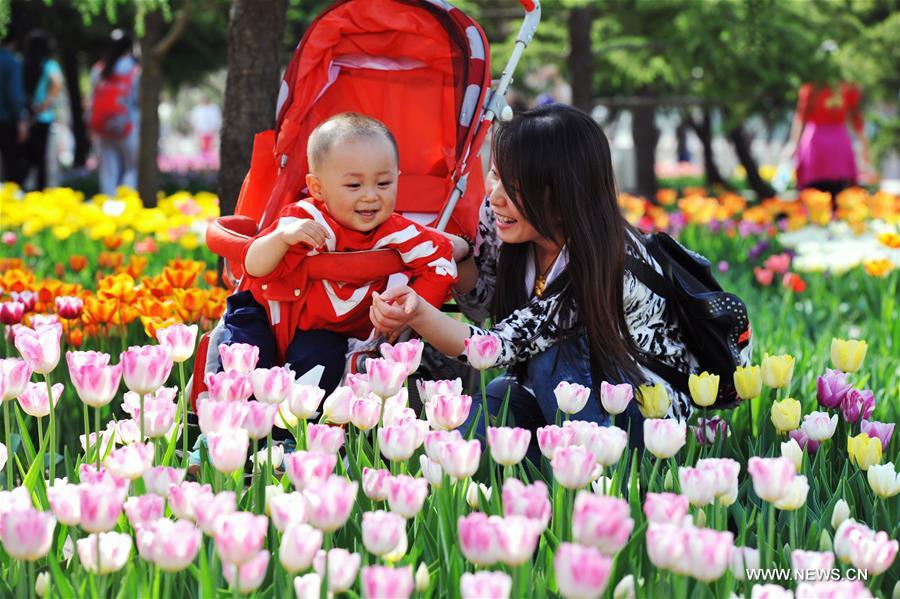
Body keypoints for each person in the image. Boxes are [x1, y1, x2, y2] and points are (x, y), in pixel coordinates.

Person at [371, 104, 701, 457]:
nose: (495, 196)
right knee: (473, 433)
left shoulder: (610, 265)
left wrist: (418, 313)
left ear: (563, 197)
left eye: (514, 187)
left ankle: (591, 477)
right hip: (543, 386)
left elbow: (499, 348)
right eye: (494, 175)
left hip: (640, 412)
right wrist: (461, 255)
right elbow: (482, 304)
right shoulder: (502, 217)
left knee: (555, 355)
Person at [225, 112, 457, 395]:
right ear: (317, 188)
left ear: (397, 178)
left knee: (318, 367)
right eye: (354, 185)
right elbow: (253, 266)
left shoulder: (398, 233)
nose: (371, 196)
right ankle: (234, 426)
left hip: (321, 331)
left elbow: (441, 260)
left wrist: (410, 313)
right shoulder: (304, 219)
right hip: (266, 311)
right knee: (244, 364)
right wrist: (281, 238)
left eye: (383, 183)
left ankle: (292, 434)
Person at [787, 78, 871, 198]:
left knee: (812, 195)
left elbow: (801, 115)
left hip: (815, 143)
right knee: (839, 196)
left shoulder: (812, 84)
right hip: (839, 145)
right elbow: (856, 119)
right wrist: (864, 145)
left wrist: (793, 143)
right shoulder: (848, 85)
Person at [90, 31, 140, 196]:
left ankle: (108, 204)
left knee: (108, 169)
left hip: (102, 126)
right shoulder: (134, 69)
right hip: (127, 125)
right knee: (131, 167)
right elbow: (138, 98)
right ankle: (128, 203)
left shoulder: (99, 69)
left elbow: (93, 97)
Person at [21, 29, 63, 190]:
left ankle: (18, 190)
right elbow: (57, 81)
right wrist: (47, 102)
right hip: (42, 116)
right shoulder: (48, 64)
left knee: (26, 157)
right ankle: (41, 192)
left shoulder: (22, 63)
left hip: (24, 117)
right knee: (40, 161)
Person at [0, 25, 26, 183]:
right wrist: (20, 118)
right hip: (6, 119)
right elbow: (13, 94)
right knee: (11, 165)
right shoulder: (13, 62)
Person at [190, 95, 222, 162]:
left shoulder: (214, 108)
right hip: (201, 131)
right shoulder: (197, 109)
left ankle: (210, 160)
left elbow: (217, 119)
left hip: (212, 131)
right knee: (202, 147)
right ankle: (203, 160)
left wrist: (215, 129)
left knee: (211, 147)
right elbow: (194, 120)